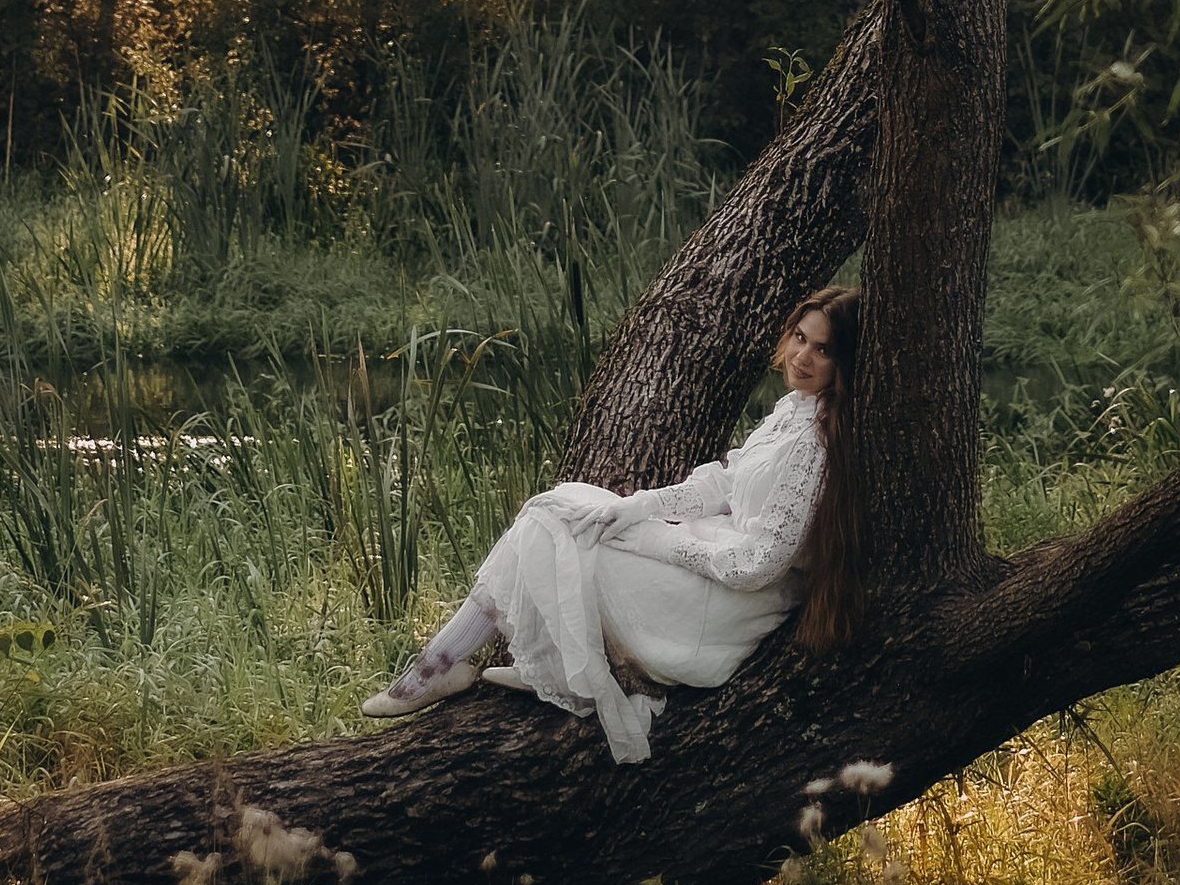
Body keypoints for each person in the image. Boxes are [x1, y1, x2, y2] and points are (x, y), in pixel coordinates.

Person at [361, 283, 864, 763]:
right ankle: (495, 666)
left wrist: (657, 539)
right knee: (562, 506)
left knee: (553, 520)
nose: (802, 356)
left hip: (726, 606)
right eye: (800, 337)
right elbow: (724, 484)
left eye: (822, 350)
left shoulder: (815, 446)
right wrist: (640, 507)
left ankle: (438, 668)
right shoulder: (794, 411)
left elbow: (758, 565)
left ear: (842, 362)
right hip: (713, 566)